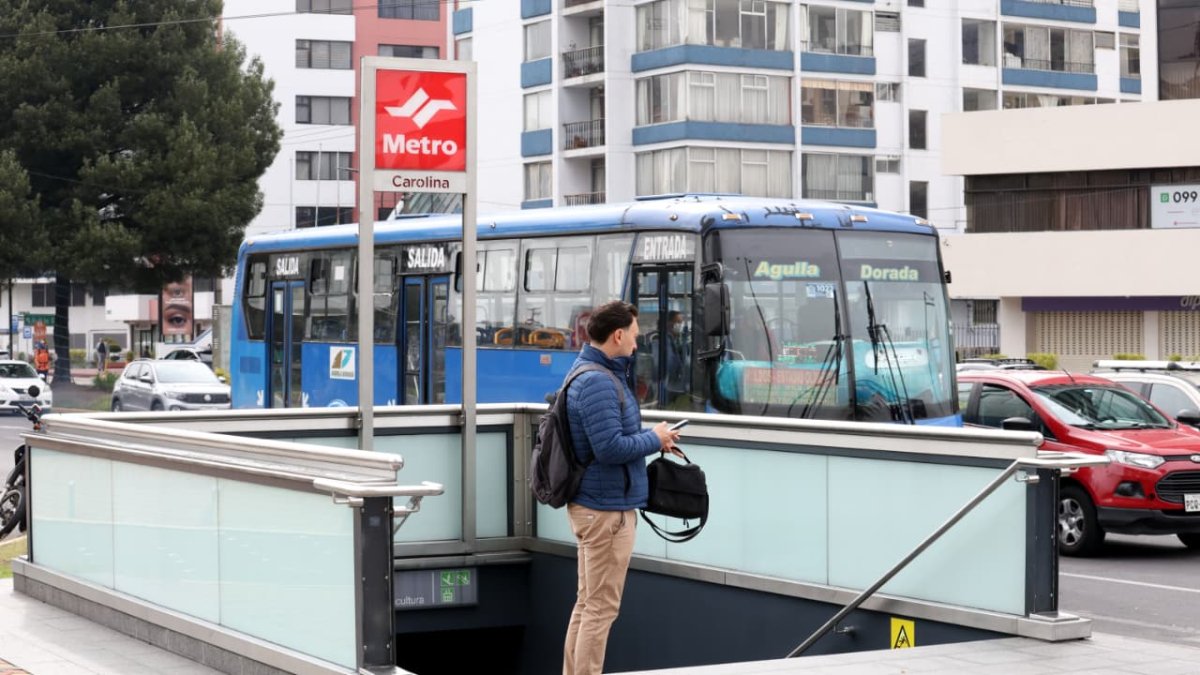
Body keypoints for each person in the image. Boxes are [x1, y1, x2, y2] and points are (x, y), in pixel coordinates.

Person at [562, 300, 682, 675]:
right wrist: (653, 438)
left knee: (588, 603)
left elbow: (612, 436)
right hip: (605, 511)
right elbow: (610, 448)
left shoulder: (592, 372)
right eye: (633, 334)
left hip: (597, 505)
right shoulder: (598, 382)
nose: (636, 342)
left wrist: (655, 439)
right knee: (600, 609)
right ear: (617, 335)